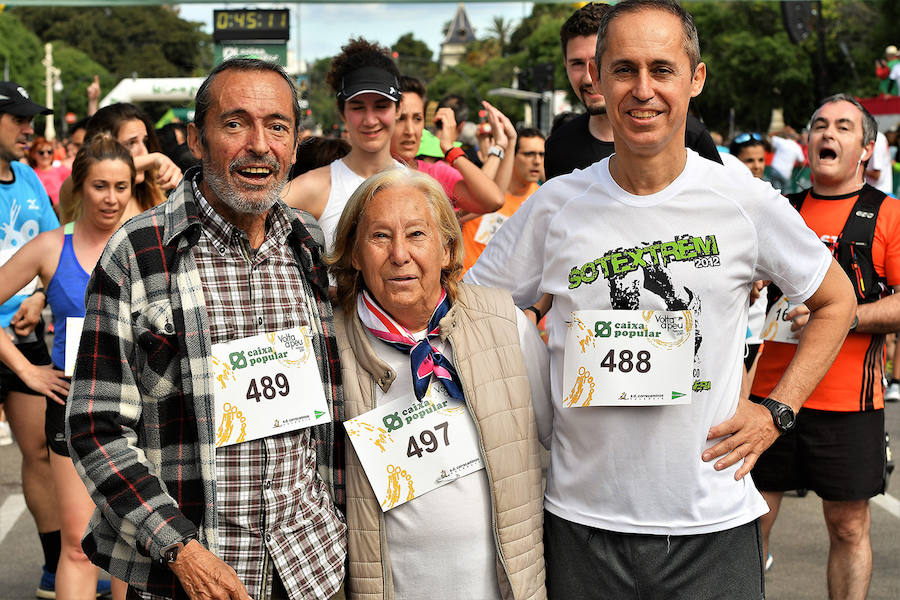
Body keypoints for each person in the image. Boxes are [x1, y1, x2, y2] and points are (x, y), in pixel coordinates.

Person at [465, 1, 856, 597]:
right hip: (582, 523)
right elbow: (474, 312)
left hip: (712, 524)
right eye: (624, 69)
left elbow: (837, 300)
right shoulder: (555, 205)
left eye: (662, 69)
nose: (642, 90)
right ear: (595, 79)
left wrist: (777, 412)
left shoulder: (741, 200)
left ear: (695, 79)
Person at [67, 58, 346, 600]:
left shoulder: (307, 245)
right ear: (196, 138)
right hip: (194, 576)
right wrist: (181, 550)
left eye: (278, 126)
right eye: (235, 123)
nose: (260, 145)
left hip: (312, 567)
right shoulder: (139, 255)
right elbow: (95, 429)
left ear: (295, 141)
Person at [327, 167, 548, 600]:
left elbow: (556, 442)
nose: (399, 254)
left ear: (447, 249)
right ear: (354, 253)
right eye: (379, 237)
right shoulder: (330, 345)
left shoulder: (505, 324)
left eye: (416, 234)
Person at [750, 94, 900, 600]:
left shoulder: (889, 215)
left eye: (842, 126)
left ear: (866, 148)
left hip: (848, 405)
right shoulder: (778, 211)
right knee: (747, 526)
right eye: (818, 125)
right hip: (767, 399)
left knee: (848, 527)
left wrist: (841, 318)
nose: (827, 134)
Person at [0, 134, 132, 599]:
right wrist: (26, 371)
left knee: (133, 545)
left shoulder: (148, 241)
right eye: (100, 186)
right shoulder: (50, 247)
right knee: (79, 545)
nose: (111, 198)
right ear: (79, 187)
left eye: (121, 186)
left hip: (137, 413)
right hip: (74, 410)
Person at [0, 80, 66, 598]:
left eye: (32, 119)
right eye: (19, 120)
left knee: (39, 448)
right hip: (9, 348)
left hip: (22, 336)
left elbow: (55, 250)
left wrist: (40, 297)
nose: (30, 130)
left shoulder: (26, 178)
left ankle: (51, 565)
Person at [543, 2, 721, 181]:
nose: (588, 79)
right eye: (577, 64)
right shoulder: (559, 146)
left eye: (661, 70)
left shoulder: (692, 135)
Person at [284, 38, 404, 253]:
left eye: (381, 106)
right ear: (342, 112)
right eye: (358, 107)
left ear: (399, 109)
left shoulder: (418, 186)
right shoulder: (315, 187)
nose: (370, 120)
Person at [390, 75, 505, 218]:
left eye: (417, 119)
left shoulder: (436, 173)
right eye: (401, 118)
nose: (410, 131)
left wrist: (450, 149)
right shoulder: (367, 173)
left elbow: (494, 200)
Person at [58, 103, 181, 224]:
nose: (144, 152)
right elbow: (92, 168)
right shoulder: (79, 189)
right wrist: (155, 158)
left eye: (144, 142)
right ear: (105, 147)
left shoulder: (152, 194)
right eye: (131, 143)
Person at [461, 128, 544, 272]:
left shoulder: (541, 198)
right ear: (511, 155)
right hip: (467, 283)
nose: (537, 161)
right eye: (529, 154)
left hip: (506, 289)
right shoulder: (485, 189)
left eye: (541, 154)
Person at [28, 135, 71, 208]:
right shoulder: (30, 174)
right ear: (33, 154)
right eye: (41, 152)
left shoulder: (62, 170)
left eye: (49, 152)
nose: (46, 155)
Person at [865, 130, 893, 195]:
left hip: (877, 194)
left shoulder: (876, 138)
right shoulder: (879, 136)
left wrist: (857, 169)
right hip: (880, 192)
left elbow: (876, 175)